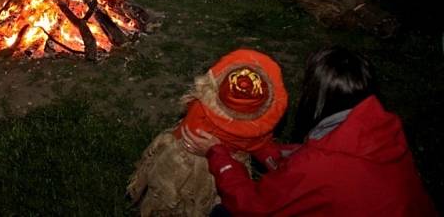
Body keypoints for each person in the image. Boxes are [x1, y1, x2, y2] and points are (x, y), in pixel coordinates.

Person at [183, 46, 436, 216]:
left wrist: (218, 156)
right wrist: (265, 148)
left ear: (317, 99)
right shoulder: (384, 129)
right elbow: (317, 158)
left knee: (221, 212)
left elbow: (252, 206)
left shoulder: (316, 166)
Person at [128, 49, 288, 216]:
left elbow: (189, 105)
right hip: (225, 167)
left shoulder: (199, 108)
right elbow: (262, 146)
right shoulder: (254, 132)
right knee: (207, 201)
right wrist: (277, 164)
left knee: (168, 194)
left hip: (181, 159)